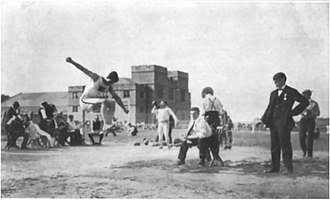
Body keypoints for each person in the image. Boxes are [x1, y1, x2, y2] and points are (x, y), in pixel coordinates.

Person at [66, 57, 129, 137]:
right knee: (104, 101)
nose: (109, 84)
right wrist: (72, 62)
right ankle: (106, 124)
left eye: (111, 83)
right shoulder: (97, 78)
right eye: (110, 82)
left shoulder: (109, 87)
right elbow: (83, 69)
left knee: (112, 103)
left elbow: (116, 97)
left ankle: (108, 123)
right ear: (108, 78)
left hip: (92, 103)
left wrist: (124, 108)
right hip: (84, 101)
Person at [261, 72, 309, 174]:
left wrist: (292, 113)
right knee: (274, 145)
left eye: (277, 81)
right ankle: (275, 167)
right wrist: (263, 119)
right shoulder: (273, 93)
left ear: (283, 79)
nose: (275, 83)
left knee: (285, 145)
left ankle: (288, 168)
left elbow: (305, 102)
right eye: (274, 81)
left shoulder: (291, 91)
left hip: (284, 122)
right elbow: (269, 108)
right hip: (273, 122)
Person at [201, 87, 223, 164]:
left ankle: (207, 157)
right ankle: (215, 154)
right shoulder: (218, 100)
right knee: (215, 137)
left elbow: (203, 112)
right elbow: (220, 112)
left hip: (208, 119)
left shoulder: (204, 100)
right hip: (216, 119)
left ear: (205, 93)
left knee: (205, 136)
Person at [299, 89, 320, 158]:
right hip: (303, 120)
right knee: (302, 137)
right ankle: (304, 151)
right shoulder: (301, 103)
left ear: (309, 95)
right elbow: (298, 111)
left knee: (310, 137)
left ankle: (309, 154)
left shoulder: (314, 103)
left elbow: (318, 113)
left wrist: (311, 114)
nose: (304, 96)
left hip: (311, 120)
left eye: (306, 95)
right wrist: (303, 113)